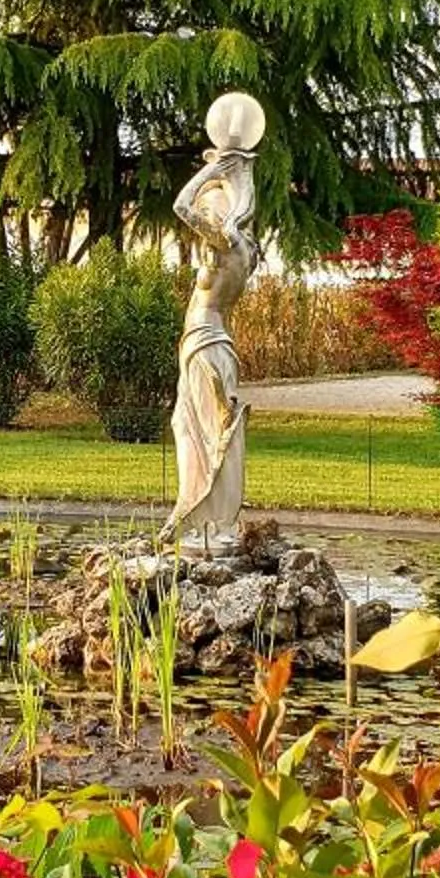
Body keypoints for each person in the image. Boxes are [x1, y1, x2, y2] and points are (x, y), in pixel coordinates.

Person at [163, 92, 266, 549]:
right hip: (208, 341)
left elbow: (181, 207)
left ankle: (210, 526)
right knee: (191, 426)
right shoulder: (244, 248)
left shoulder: (226, 242)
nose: (204, 215)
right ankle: (199, 519)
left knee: (202, 431)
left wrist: (212, 170)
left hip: (205, 341)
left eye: (212, 207)